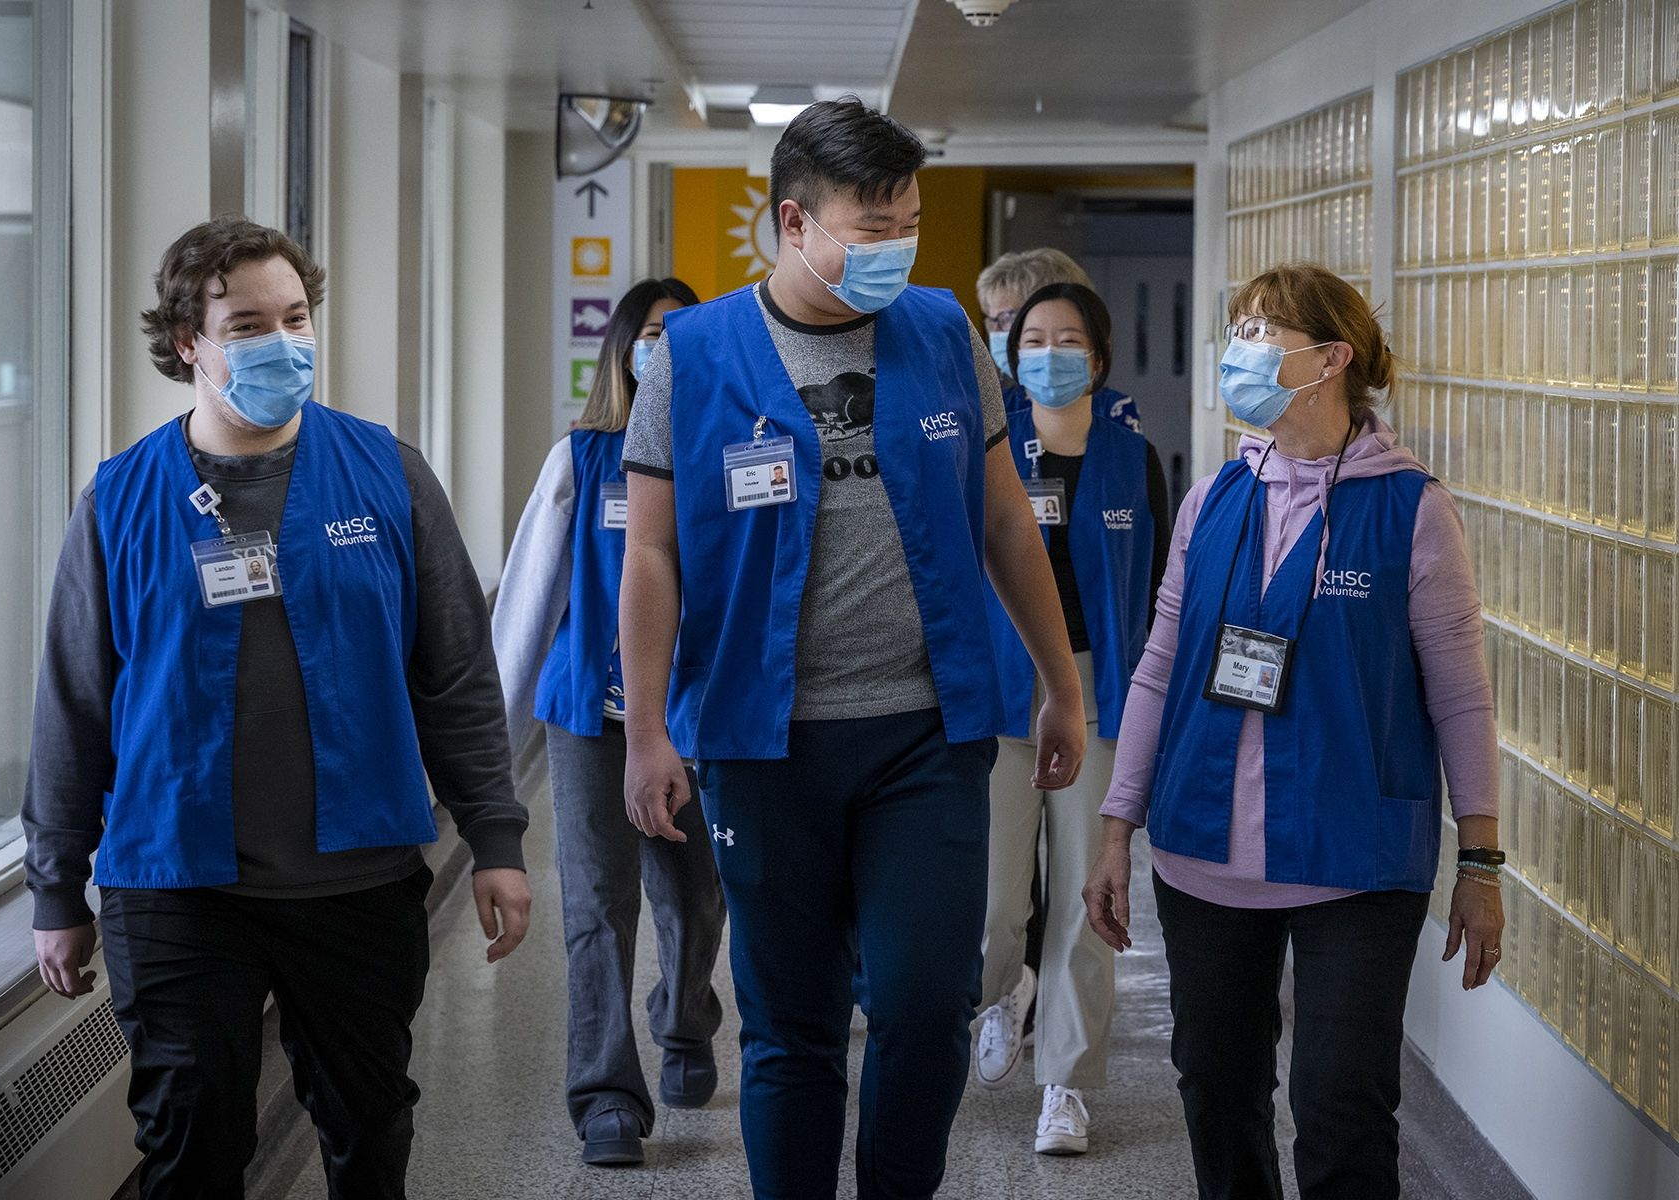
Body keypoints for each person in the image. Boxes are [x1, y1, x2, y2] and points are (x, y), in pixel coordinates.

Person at [618, 98, 1089, 1199]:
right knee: (792, 1025)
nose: (897, 248)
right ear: (794, 221)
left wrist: (1060, 685)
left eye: (908, 224)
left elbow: (1005, 519)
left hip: (925, 734)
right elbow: (651, 555)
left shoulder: (942, 332)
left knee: (926, 1004)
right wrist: (645, 732)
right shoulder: (692, 356)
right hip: (764, 742)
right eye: (872, 228)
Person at [21, 216, 531, 1200]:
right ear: (189, 343)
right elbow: (74, 703)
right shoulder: (121, 498)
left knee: (368, 1126)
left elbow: (457, 675)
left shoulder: (386, 473)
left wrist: (496, 838)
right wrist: (55, 886)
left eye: (295, 318)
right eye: (248, 326)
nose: (283, 342)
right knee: (190, 1137)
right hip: (175, 882)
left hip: (356, 878)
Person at [1083, 262, 1505, 1200]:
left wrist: (1481, 863)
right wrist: (1116, 829)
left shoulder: (1412, 509)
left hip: (1353, 856)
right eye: (1237, 330)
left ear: (1331, 360)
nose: (1238, 351)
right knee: (1217, 1092)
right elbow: (1158, 667)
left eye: (1260, 333)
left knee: (1343, 1105)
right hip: (1203, 852)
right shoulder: (1213, 500)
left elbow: (1461, 697)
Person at [492, 276, 726, 1168]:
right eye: (649, 334)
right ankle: (606, 1098)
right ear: (622, 351)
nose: (662, 348)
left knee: (697, 896)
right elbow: (528, 599)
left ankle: (685, 1017)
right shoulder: (581, 459)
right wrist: (490, 750)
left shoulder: (729, 450)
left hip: (695, 716)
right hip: (592, 713)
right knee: (597, 903)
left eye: (679, 332)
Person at [972, 282, 1170, 1156]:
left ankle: (1065, 1085)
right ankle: (1001, 992)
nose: (1050, 354)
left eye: (1068, 339)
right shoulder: (988, 448)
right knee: (992, 901)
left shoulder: (1134, 459)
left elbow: (1159, 594)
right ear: (1011, 356)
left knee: (1090, 897)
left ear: (1099, 355)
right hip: (1001, 686)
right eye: (1033, 339)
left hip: (1097, 691)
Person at [976, 249, 1143, 434]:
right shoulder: (994, 411)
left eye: (1006, 318)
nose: (996, 332)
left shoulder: (1114, 410)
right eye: (993, 320)